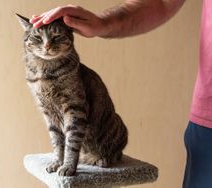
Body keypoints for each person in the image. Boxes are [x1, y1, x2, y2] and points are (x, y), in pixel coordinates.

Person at [29, 1, 212, 188]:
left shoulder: (72, 71)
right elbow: (162, 3)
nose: (47, 46)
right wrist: (102, 22)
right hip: (207, 119)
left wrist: (70, 162)